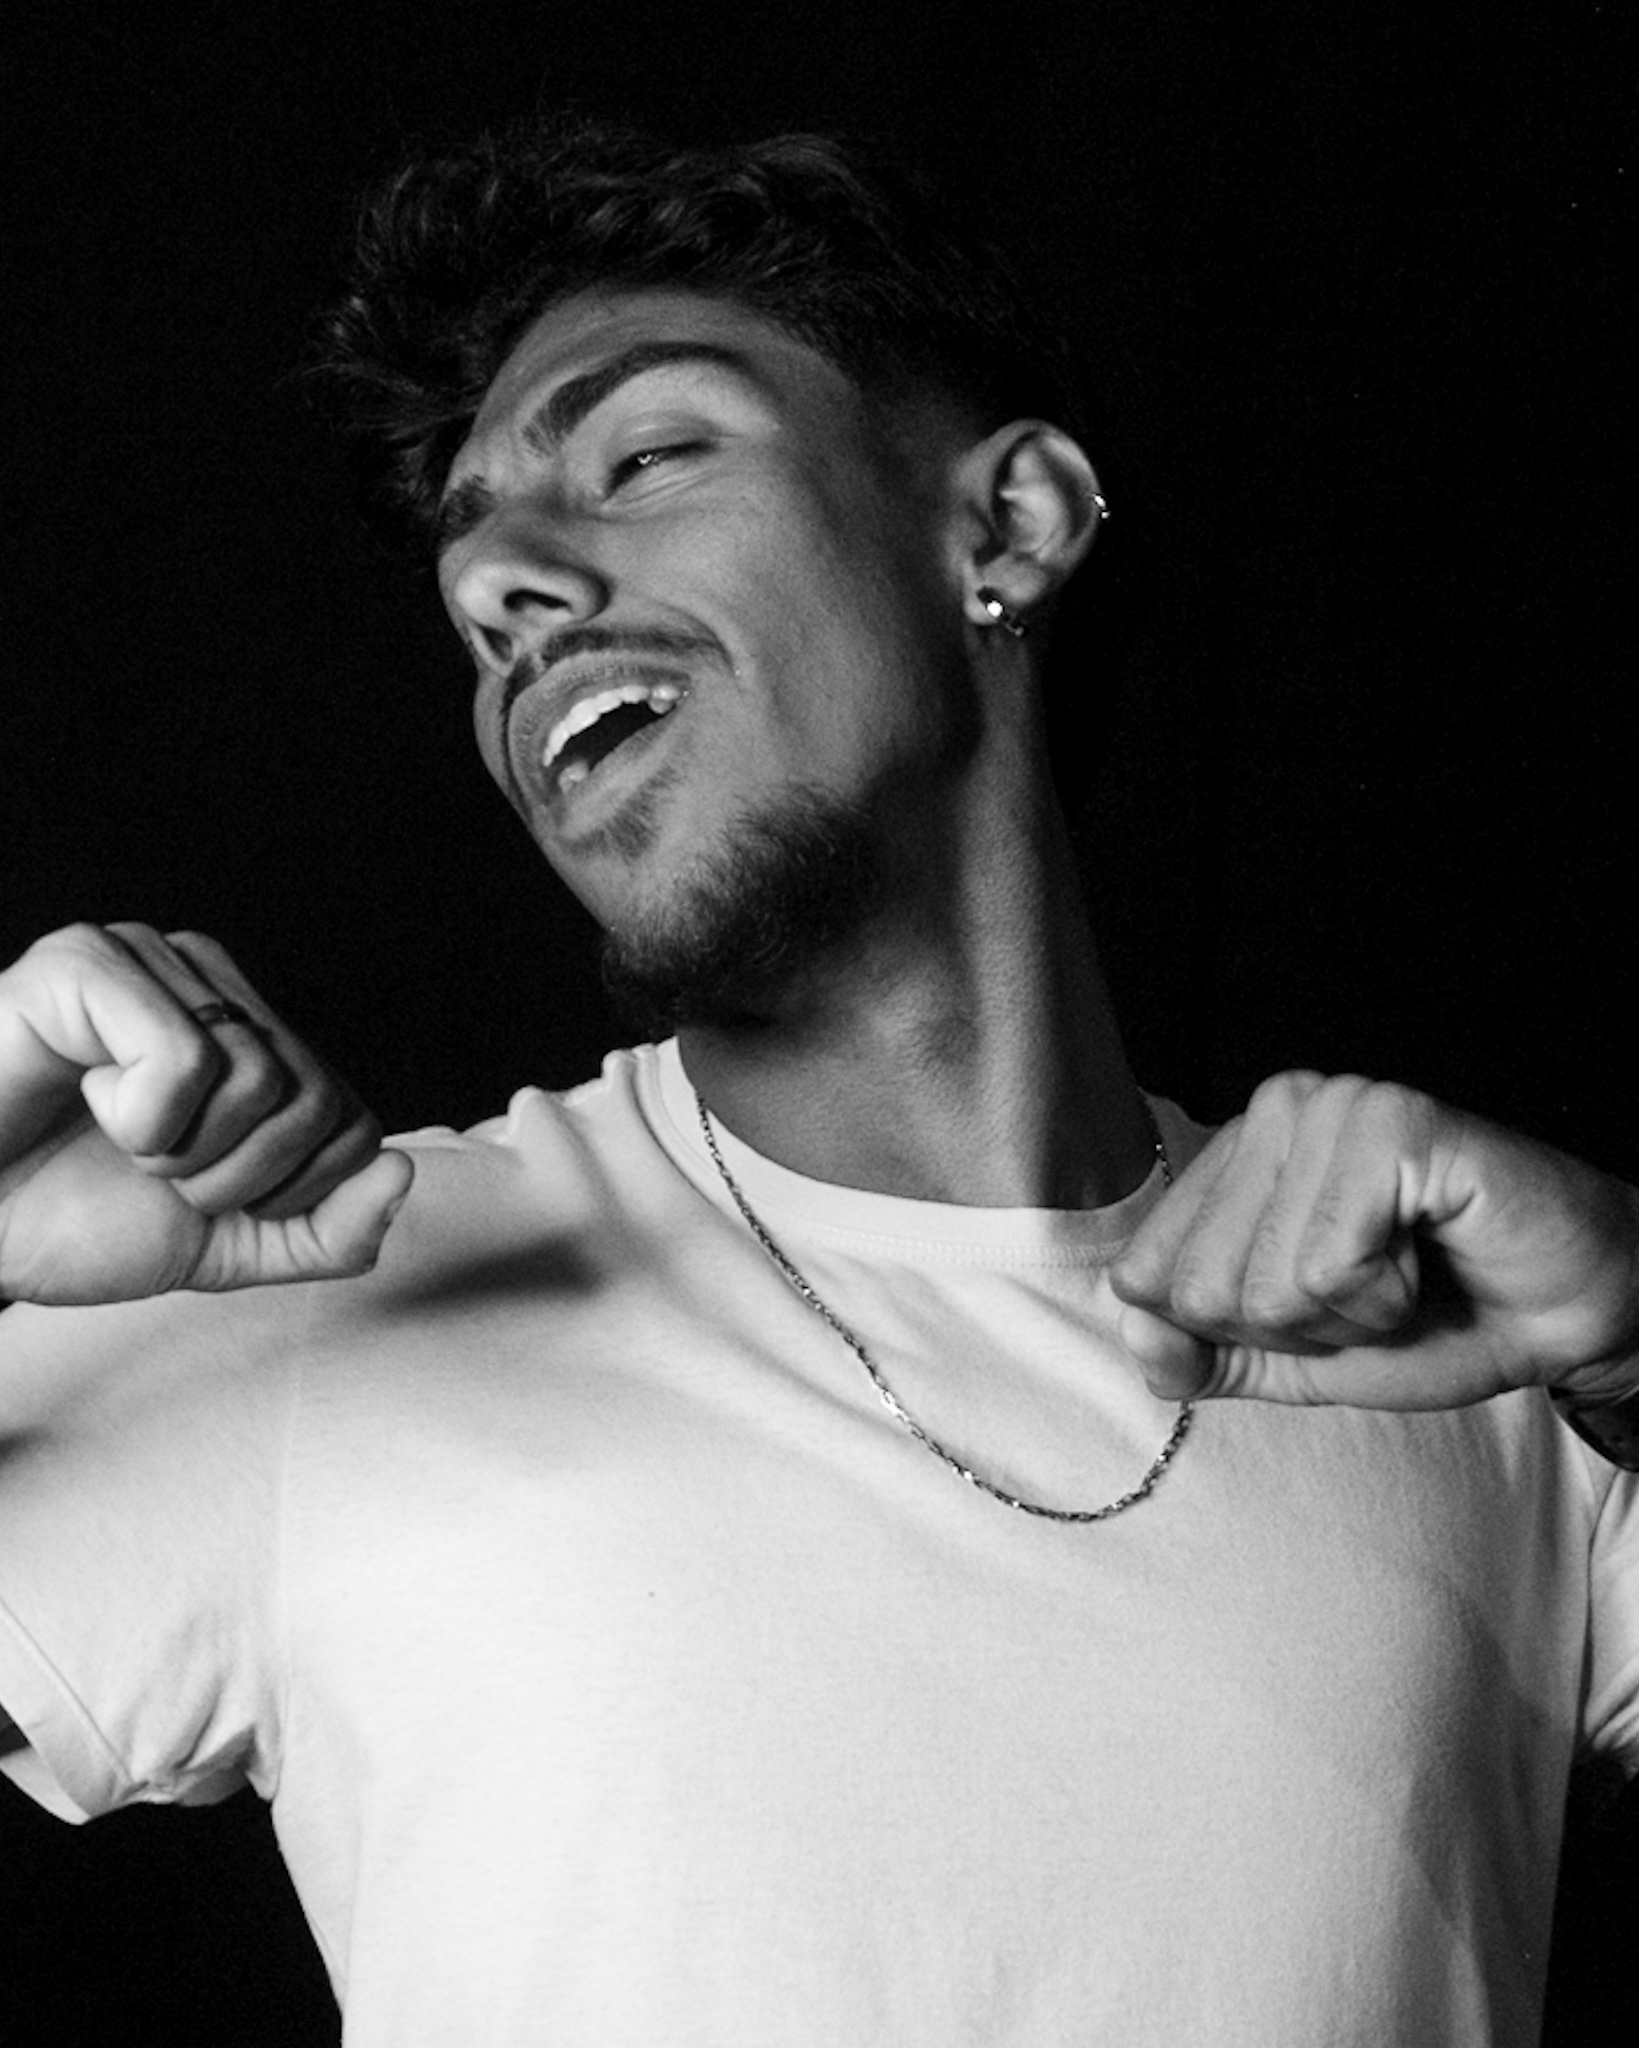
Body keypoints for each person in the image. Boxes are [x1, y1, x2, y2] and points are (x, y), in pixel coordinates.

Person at [1, 117, 1636, 2046]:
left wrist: (1634, 1319)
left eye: (646, 458)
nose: (506, 583)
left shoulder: (1472, 1354)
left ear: (1008, 525)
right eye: (472, 573)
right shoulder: (351, 1287)